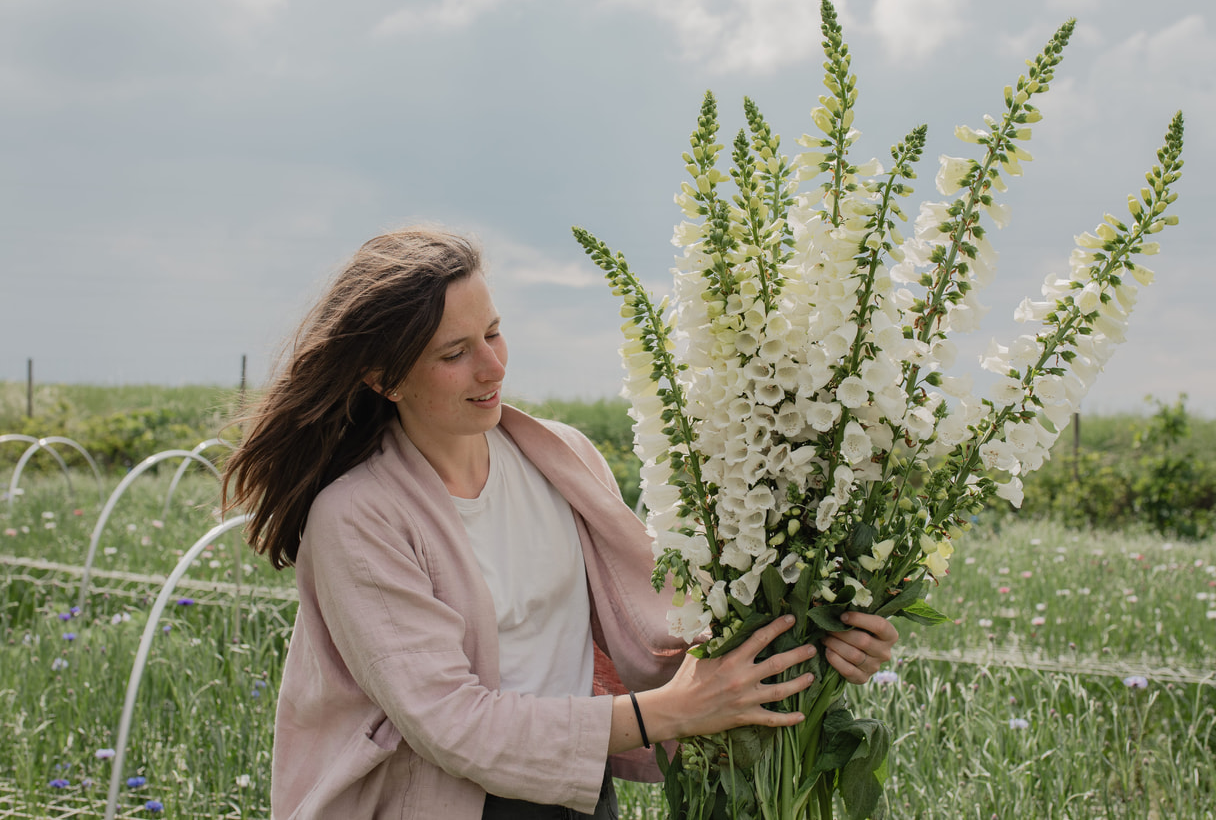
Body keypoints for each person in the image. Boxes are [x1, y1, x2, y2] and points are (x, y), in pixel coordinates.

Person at [221, 227, 899, 820]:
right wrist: (672, 712)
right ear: (382, 376)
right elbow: (453, 725)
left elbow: (660, 646)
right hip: (440, 802)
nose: (492, 366)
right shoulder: (358, 517)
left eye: (493, 332)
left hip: (579, 795)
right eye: (453, 353)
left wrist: (816, 640)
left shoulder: (560, 457)